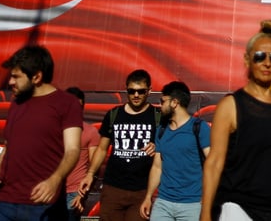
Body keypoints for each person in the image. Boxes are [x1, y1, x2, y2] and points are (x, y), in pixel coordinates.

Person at [200, 20, 271, 221]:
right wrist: (205, 213)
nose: (267, 62)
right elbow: (214, 162)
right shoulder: (231, 105)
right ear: (247, 60)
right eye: (260, 56)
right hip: (240, 208)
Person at [0, 46, 83, 221]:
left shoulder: (67, 103)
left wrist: (54, 180)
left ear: (36, 76)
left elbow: (73, 150)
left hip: (41, 205)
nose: (10, 82)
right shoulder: (16, 104)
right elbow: (8, 148)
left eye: (16, 76)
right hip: (2, 203)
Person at [80, 69, 159, 221]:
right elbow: (102, 149)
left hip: (142, 189)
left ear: (149, 91)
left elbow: (167, 149)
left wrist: (156, 147)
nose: (136, 95)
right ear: (126, 90)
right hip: (113, 187)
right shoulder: (114, 114)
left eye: (141, 91)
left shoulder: (158, 116)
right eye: (131, 91)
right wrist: (90, 174)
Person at [140, 81, 211, 221]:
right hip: (163, 203)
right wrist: (148, 197)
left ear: (174, 102)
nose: (160, 105)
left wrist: (207, 199)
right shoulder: (161, 130)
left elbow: (213, 165)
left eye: (162, 101)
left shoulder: (199, 128)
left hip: (193, 205)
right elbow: (157, 166)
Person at [65, 87, 100, 221]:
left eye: (79, 106)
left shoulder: (90, 132)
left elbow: (94, 167)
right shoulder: (52, 129)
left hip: (74, 192)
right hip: (52, 191)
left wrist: (82, 195)